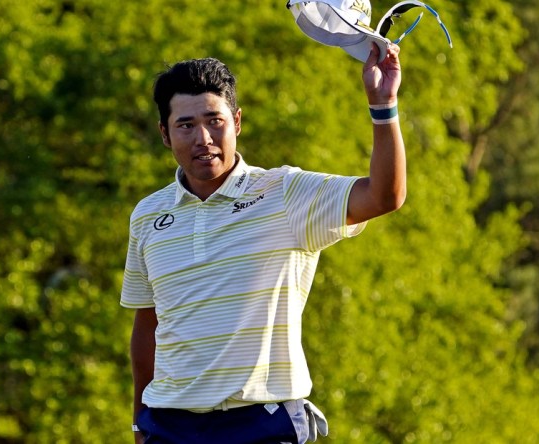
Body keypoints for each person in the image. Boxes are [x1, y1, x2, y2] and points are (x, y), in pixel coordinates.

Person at [120, 41, 404, 444]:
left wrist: (383, 106)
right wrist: (139, 422)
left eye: (214, 120)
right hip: (169, 425)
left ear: (236, 122)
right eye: (186, 125)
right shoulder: (148, 215)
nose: (203, 137)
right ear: (165, 134)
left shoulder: (285, 192)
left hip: (262, 423)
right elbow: (146, 325)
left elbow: (384, 196)